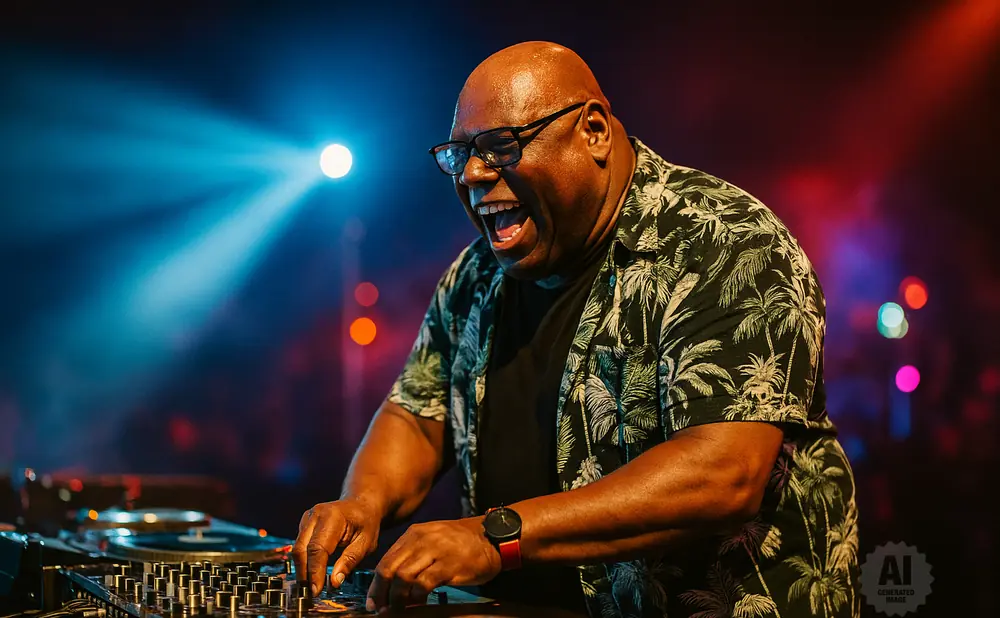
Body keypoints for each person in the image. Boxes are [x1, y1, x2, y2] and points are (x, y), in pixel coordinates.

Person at [293, 41, 859, 618]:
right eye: (459, 154)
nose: (472, 173)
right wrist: (361, 502)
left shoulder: (726, 241)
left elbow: (724, 473)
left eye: (500, 146)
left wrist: (496, 538)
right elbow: (417, 415)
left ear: (591, 131)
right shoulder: (476, 275)